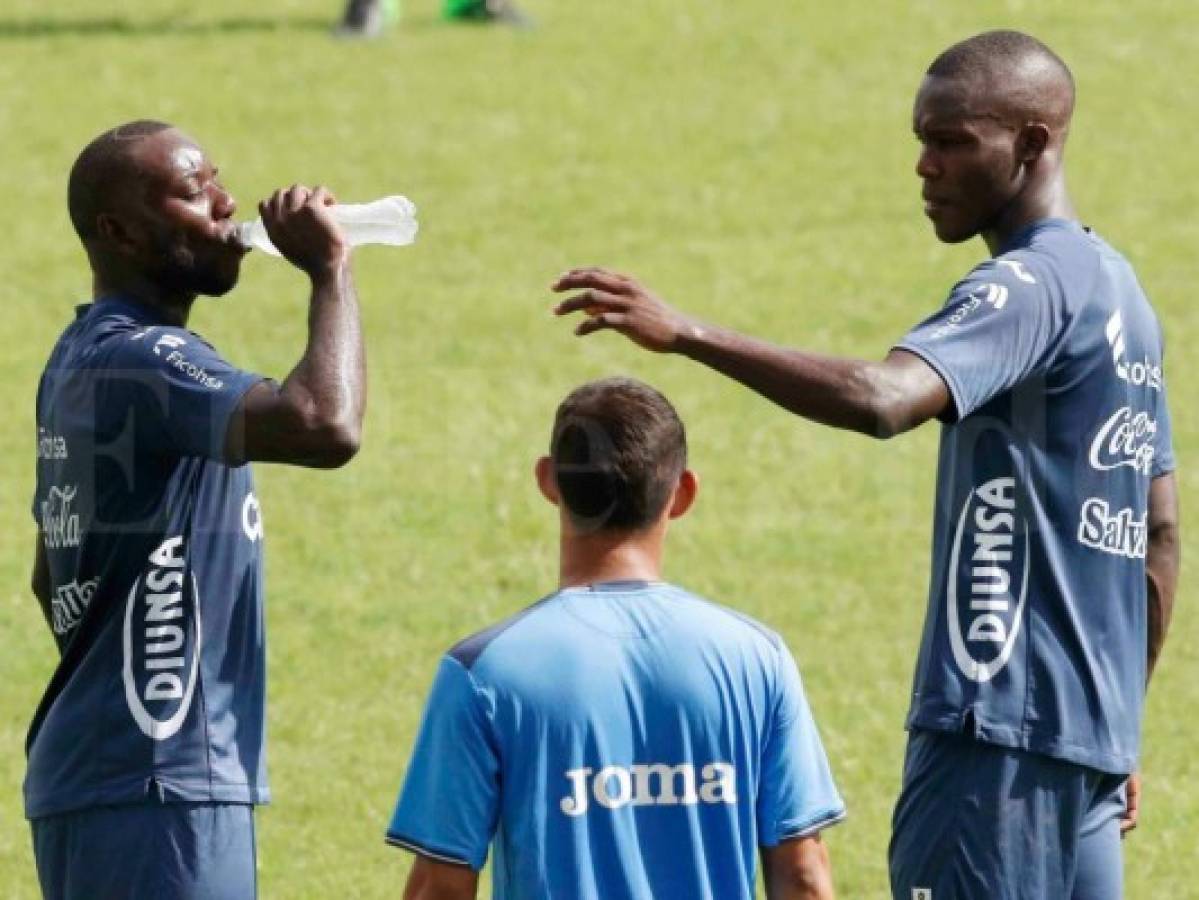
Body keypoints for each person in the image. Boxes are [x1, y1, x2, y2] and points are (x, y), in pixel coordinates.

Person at [552, 30, 1179, 900]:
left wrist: (688, 333)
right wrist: (1115, 727)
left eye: (952, 141)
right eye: (920, 140)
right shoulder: (1124, 297)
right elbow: (1158, 533)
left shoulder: (1026, 288)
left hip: (990, 747)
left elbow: (885, 399)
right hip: (1085, 759)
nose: (924, 165)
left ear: (1032, 143)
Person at [28, 119, 366, 899]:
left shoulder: (81, 357)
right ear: (116, 230)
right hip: (162, 783)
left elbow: (54, 575)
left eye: (217, 180)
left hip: (103, 777)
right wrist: (331, 271)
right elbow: (324, 424)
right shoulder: (143, 361)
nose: (224, 205)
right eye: (191, 191)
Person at [386, 377, 844, 899]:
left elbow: (441, 888)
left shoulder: (483, 672)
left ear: (547, 481)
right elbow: (805, 877)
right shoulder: (758, 659)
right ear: (684, 493)